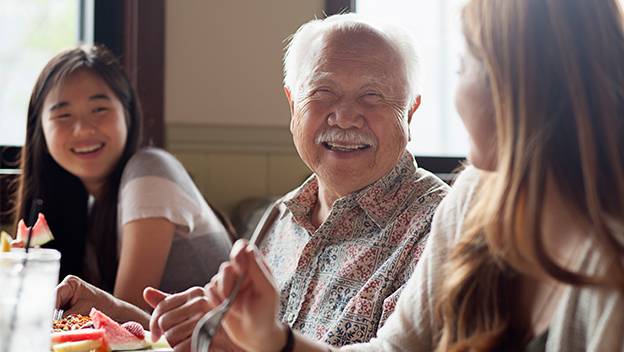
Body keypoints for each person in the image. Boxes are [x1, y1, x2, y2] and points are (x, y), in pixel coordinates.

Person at [196, 0, 624, 351]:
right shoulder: (474, 199)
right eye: (324, 92)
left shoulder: (609, 264)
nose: (345, 116)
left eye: (463, 68)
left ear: (520, 88)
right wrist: (271, 341)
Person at [56, 13, 450, 351]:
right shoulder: (281, 216)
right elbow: (213, 337)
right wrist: (113, 311)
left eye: (373, 95)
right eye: (322, 92)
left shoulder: (440, 225)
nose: (345, 116)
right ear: (293, 105)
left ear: (410, 112)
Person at [12, 44, 233, 312]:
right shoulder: (88, 207)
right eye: (63, 115)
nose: (83, 129)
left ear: (127, 114)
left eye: (99, 109)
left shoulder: (150, 170)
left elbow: (122, 323)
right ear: (42, 135)